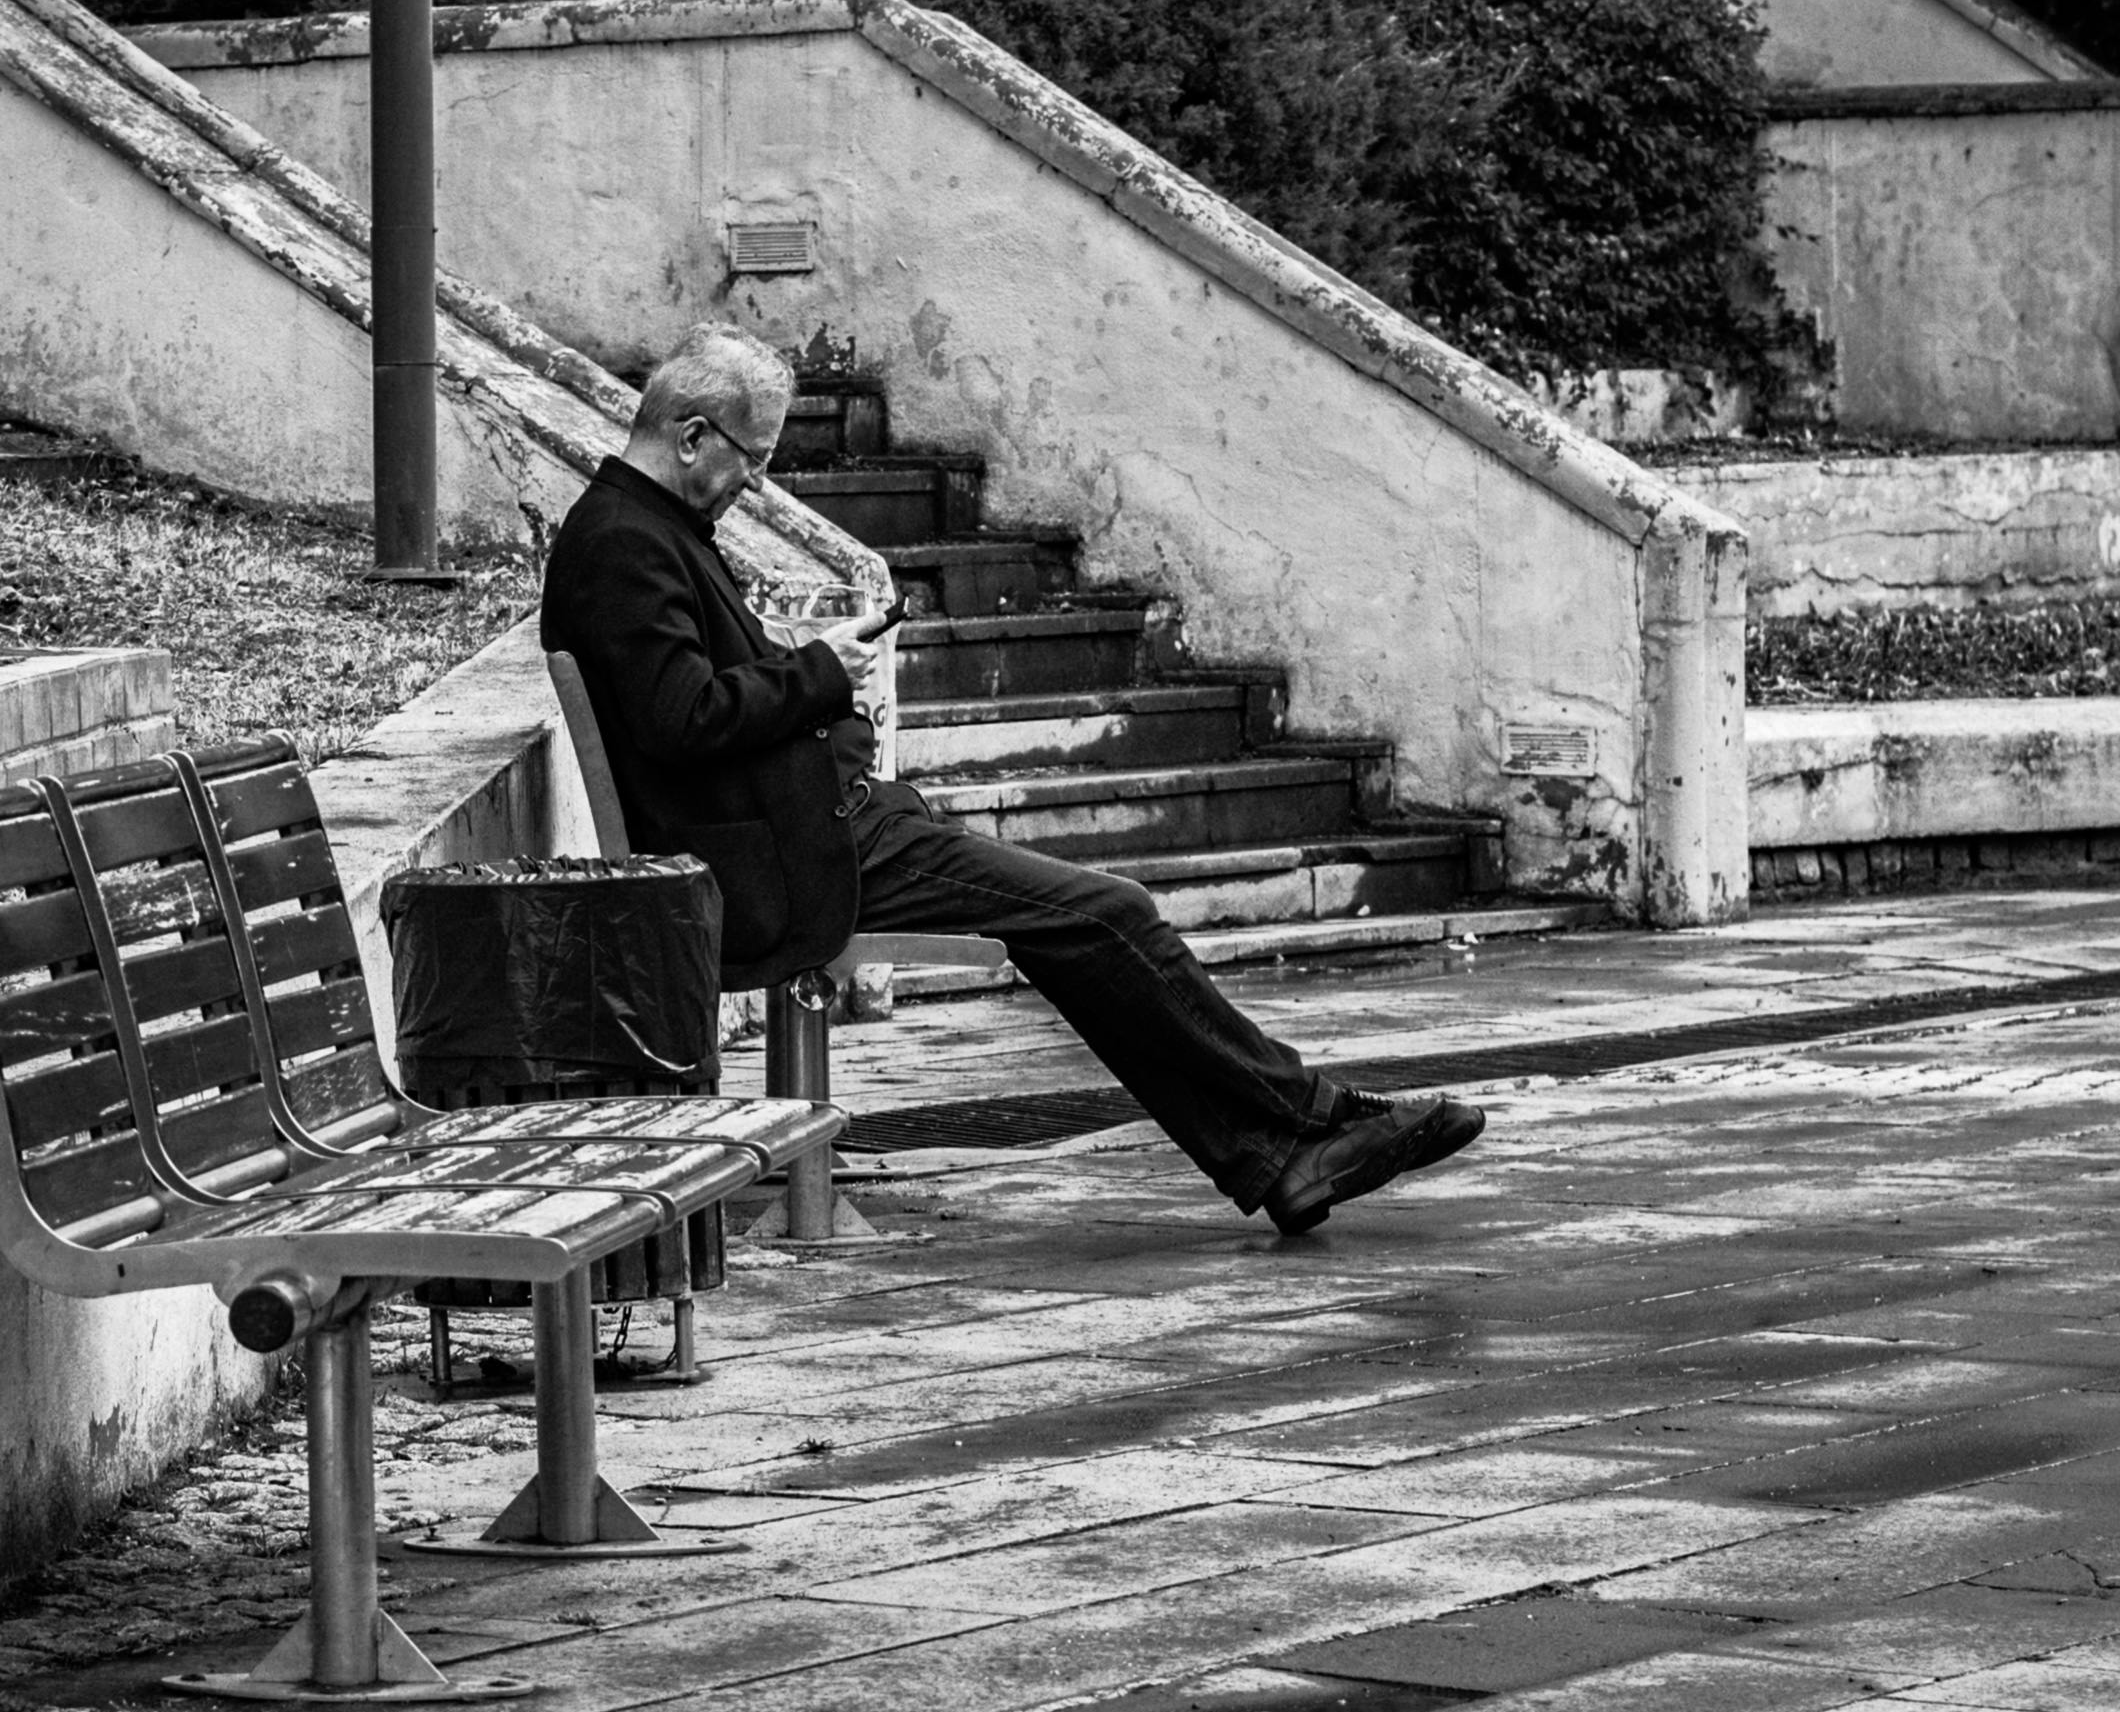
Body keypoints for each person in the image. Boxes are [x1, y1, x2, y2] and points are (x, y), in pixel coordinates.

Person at [540, 321, 1484, 1233]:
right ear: (692, 435)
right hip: (784, 864)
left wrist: (813, 680)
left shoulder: (642, 529)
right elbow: (684, 716)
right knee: (1108, 913)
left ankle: (1289, 1146)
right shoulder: (626, 542)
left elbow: (696, 695)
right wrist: (819, 670)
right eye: (752, 456)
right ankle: (1304, 1126)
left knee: (1088, 921)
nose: (757, 479)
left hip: (816, 831)